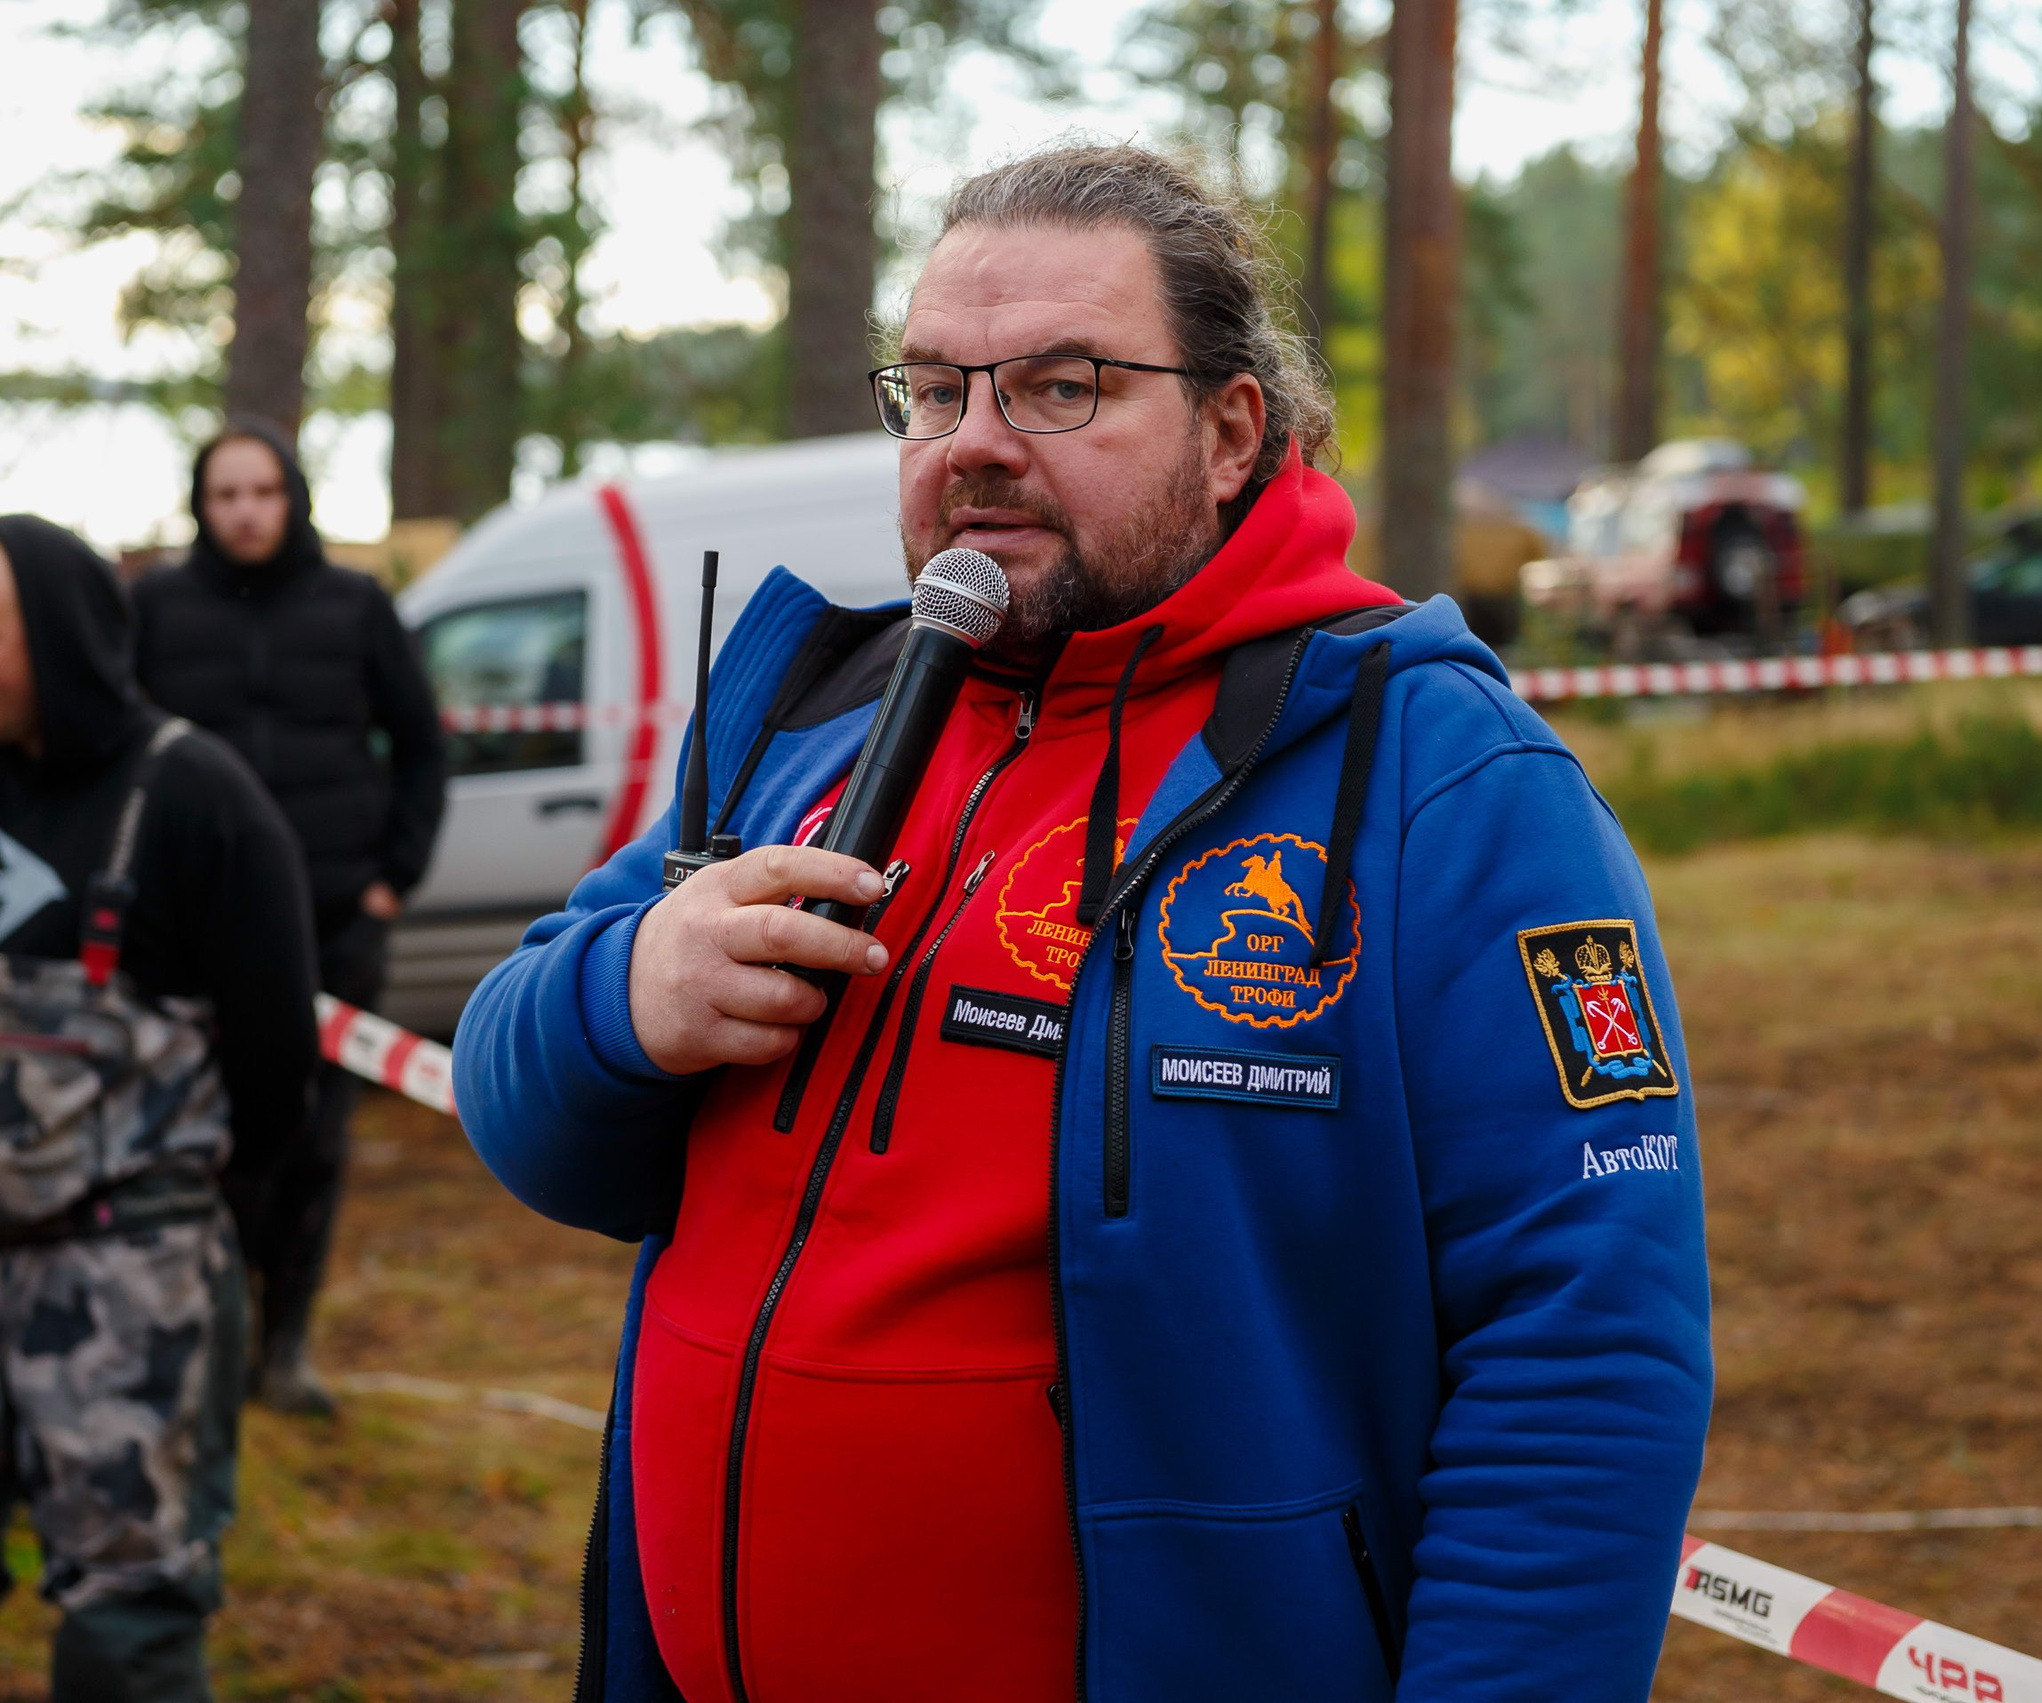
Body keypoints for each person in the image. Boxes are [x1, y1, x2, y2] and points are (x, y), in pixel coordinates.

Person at [453, 143, 1713, 1703]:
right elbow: (519, 1107)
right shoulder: (807, 712)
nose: (973, 445)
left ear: (1233, 428)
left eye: (1061, 388)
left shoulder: (1438, 774)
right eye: (933, 388)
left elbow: (1587, 1354)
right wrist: (622, 993)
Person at [0, 516, 318, 1703]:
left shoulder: (205, 801)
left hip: (128, 1285)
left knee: (127, 1617)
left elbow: (275, 1067)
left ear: (58, 642)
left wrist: (191, 1240)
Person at [132, 420, 446, 1416]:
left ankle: (287, 1346)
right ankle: (205, 1340)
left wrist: (391, 877)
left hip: (333, 922)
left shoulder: (354, 606)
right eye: (225, 495)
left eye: (262, 491)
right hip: (197, 928)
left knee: (314, 1139)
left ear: (293, 498)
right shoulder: (154, 609)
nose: (245, 511)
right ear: (200, 505)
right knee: (203, 1133)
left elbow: (421, 747)